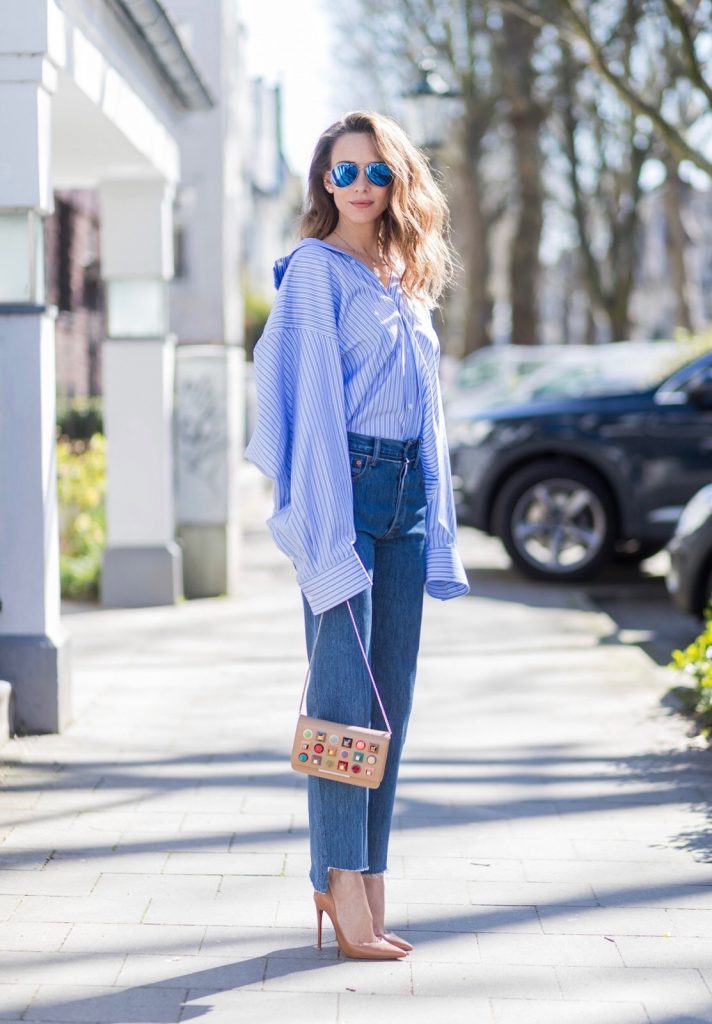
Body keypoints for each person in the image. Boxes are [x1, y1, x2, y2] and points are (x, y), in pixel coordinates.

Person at [245, 110, 469, 960]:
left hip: (407, 497)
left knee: (392, 703)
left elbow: (432, 417)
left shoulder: (407, 277)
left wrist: (437, 516)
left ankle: (365, 877)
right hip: (346, 491)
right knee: (344, 699)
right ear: (323, 184)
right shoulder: (314, 271)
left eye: (378, 171)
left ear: (400, 179)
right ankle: (342, 888)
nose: (363, 186)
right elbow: (305, 406)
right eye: (346, 173)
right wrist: (323, 533)